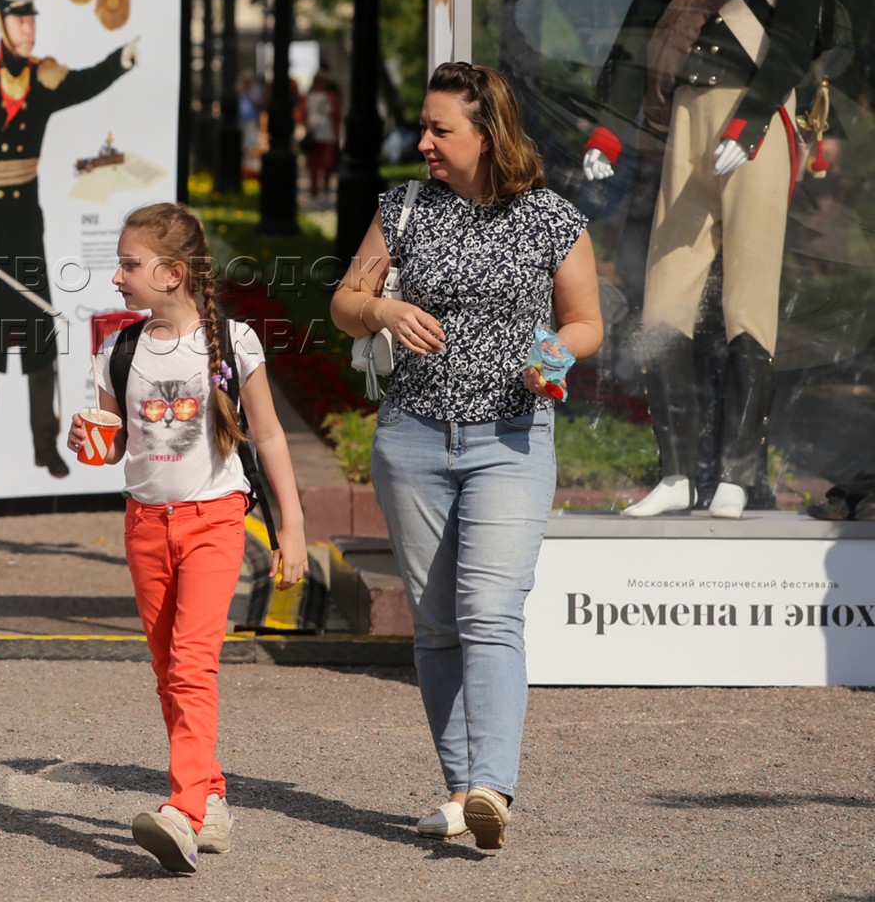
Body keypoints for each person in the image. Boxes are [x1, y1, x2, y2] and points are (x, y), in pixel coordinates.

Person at [331, 62, 602, 851]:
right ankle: (462, 793)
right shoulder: (404, 208)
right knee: (436, 623)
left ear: (487, 136)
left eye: (439, 129)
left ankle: (492, 785)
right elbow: (345, 303)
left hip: (511, 441)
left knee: (489, 611)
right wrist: (383, 309)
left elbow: (585, 321)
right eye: (424, 126)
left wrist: (553, 355)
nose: (423, 141)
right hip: (412, 439)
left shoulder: (552, 218)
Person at [584, 0, 829, 520]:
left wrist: (748, 125)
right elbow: (633, 50)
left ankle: (737, 474)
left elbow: (795, 43)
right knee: (665, 298)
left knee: (747, 299)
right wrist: (607, 134)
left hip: (754, 125)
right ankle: (675, 474)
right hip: (686, 127)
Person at [68, 202, 307, 875]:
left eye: (129, 264)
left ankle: (181, 810)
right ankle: (212, 794)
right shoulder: (119, 350)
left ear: (173, 273)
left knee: (192, 665)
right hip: (146, 524)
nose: (117, 276)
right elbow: (110, 445)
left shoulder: (234, 343)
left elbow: (269, 435)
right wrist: (84, 440)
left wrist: (292, 526)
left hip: (214, 520)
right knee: (166, 671)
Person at [302, 70, 342, 199]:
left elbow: (337, 115)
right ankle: (314, 190)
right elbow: (301, 113)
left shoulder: (330, 97)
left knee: (327, 163)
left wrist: (337, 133)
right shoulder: (308, 96)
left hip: (328, 134)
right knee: (313, 164)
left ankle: (326, 187)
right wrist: (307, 126)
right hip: (313, 135)